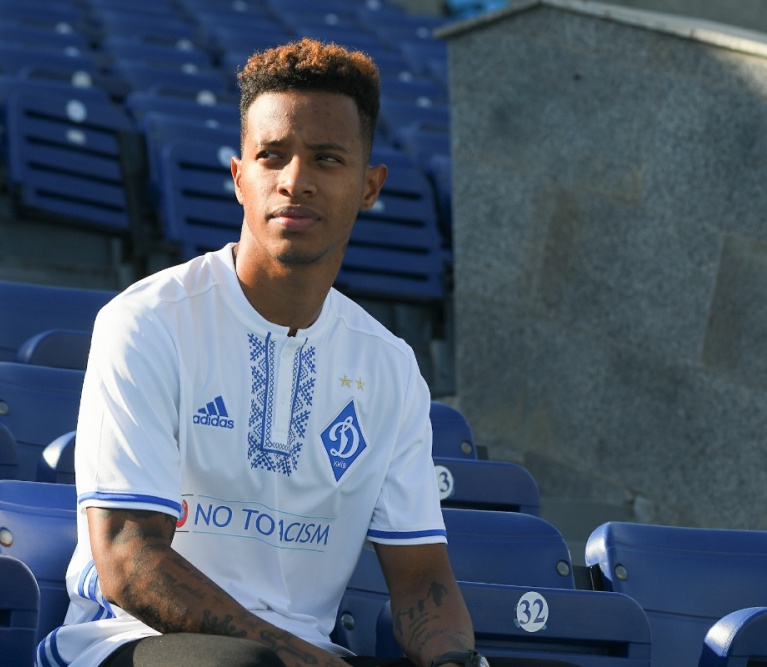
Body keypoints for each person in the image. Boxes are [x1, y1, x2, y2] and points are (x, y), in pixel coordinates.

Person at [38, 38, 486, 667]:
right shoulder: (147, 322)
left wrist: (455, 662)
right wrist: (297, 656)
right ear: (239, 178)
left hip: (306, 654)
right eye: (272, 156)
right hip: (126, 642)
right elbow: (129, 562)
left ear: (369, 186)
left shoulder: (389, 366)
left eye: (327, 158)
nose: (294, 181)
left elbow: (421, 581)